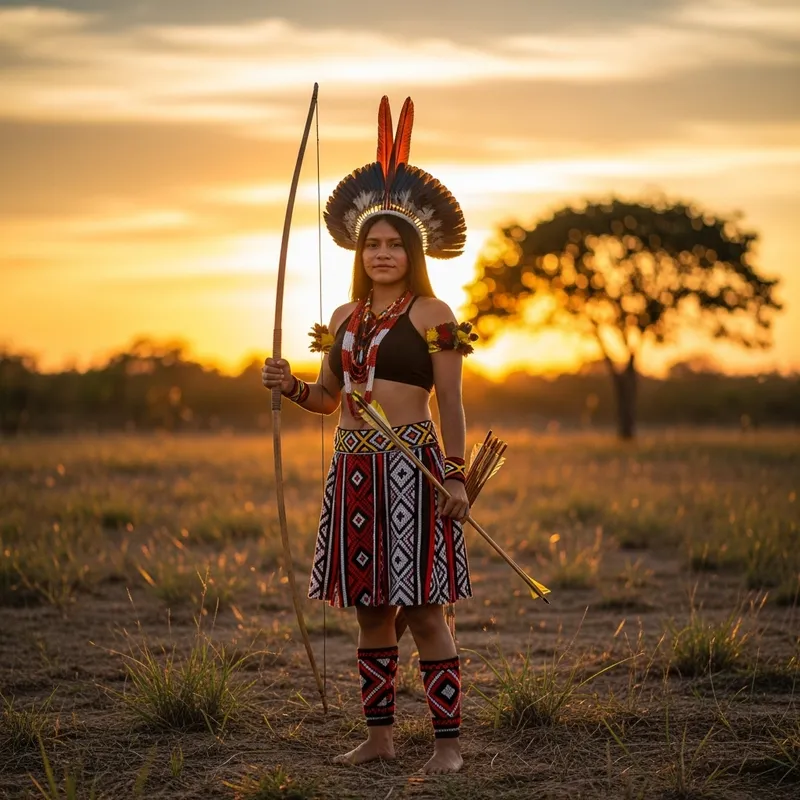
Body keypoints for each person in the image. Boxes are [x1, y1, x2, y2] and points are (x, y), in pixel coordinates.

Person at [262, 96, 477, 775]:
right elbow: (330, 401)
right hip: (354, 472)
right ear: (361, 253)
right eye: (372, 245)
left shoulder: (435, 314)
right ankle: (380, 738)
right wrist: (290, 386)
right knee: (371, 612)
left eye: (394, 245)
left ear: (412, 253)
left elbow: (451, 402)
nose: (382, 254)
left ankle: (448, 745)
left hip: (414, 467)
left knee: (423, 612)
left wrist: (456, 473)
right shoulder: (343, 316)